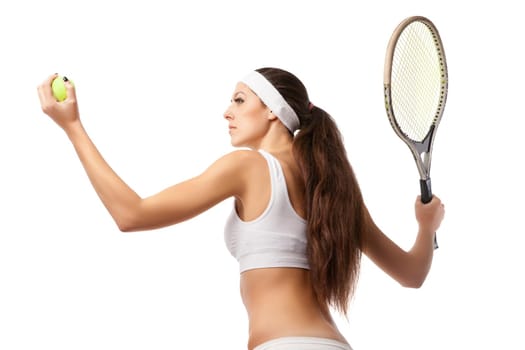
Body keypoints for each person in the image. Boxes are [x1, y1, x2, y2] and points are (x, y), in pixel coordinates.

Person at [37, 68, 445, 350]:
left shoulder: (248, 166)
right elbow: (412, 273)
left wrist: (73, 127)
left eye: (239, 99)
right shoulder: (334, 189)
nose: (227, 112)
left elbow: (132, 214)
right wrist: (426, 226)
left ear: (271, 109)